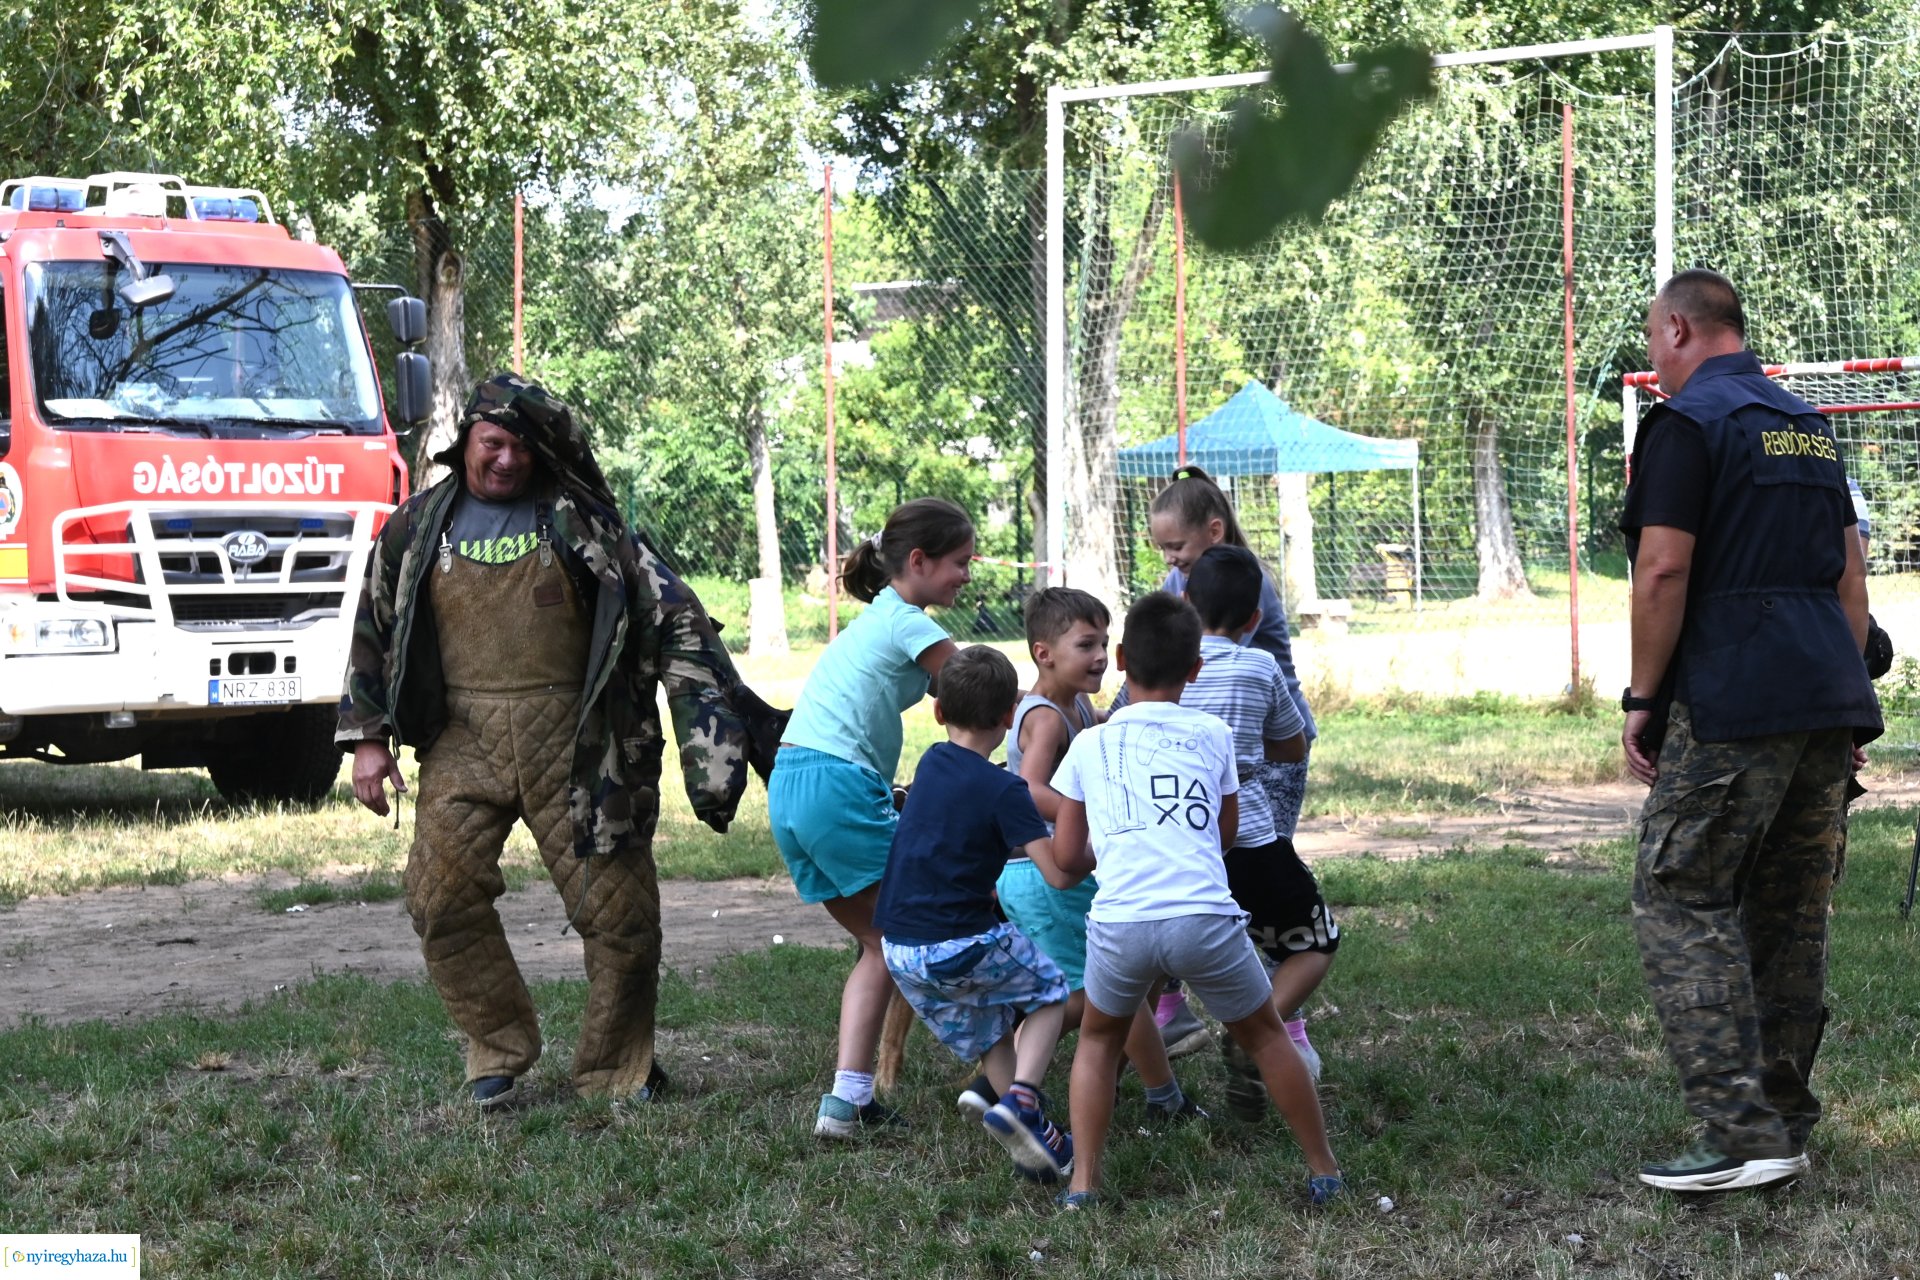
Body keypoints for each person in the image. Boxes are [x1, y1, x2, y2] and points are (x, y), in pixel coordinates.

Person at [339, 373, 774, 1108]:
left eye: (522, 447)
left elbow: (675, 620)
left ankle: (617, 1069)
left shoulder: (587, 525)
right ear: (466, 442)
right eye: (494, 443)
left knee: (621, 916)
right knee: (438, 898)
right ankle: (497, 1046)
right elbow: (372, 629)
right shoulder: (414, 529)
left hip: (580, 741)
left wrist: (713, 731)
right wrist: (367, 738)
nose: (507, 459)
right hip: (461, 738)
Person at [1621, 269, 1881, 1193]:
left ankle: (1739, 1132)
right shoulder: (1810, 429)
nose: (1653, 360)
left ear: (1682, 329)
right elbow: (1851, 584)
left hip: (1735, 695)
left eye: (1655, 340)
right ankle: (1784, 1120)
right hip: (1824, 690)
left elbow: (1661, 572)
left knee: (1678, 892)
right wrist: (1842, 703)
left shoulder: (1686, 426)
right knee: (1790, 913)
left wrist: (1643, 698)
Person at [1049, 592, 1344, 1209]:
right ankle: (1323, 1170)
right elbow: (1225, 832)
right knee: (1266, 1035)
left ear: (1122, 657)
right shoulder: (1214, 734)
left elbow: (1072, 857)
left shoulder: (1087, 745)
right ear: (1195, 670)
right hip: (1205, 915)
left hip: (1121, 920)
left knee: (1099, 1042)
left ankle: (1083, 1186)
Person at [768, 496, 973, 1138]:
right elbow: (976, 691)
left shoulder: (879, 617)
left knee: (880, 945)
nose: (967, 574)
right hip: (838, 785)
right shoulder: (907, 620)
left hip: (792, 787)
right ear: (918, 561)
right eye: (959, 562)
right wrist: (1056, 707)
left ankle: (847, 1104)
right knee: (933, 924)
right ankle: (1006, 1068)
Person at [995, 587, 1205, 1122]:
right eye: (1085, 644)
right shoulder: (1044, 717)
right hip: (1041, 869)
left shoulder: (1082, 706)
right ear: (1045, 654)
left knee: (1116, 983)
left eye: (1104, 643)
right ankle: (1161, 1098)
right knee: (1108, 988)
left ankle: (1014, 1079)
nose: (1099, 656)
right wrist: (1087, 804)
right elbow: (1026, 787)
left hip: (1066, 866)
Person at [1140, 466, 1322, 1069]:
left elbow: (1236, 682)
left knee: (1261, 875)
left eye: (1177, 548)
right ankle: (1172, 1007)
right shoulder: (1182, 580)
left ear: (1214, 533)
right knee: (1195, 867)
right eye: (1164, 549)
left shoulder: (1246, 583)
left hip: (1267, 744)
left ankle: (1277, 1022)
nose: (1170, 560)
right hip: (1207, 746)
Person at [873, 645, 1075, 1182]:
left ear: (938, 712)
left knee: (990, 1030)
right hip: (959, 942)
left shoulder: (931, 763)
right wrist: (1101, 845)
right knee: (1053, 993)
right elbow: (1057, 873)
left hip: (899, 951)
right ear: (1011, 715)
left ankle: (1029, 1142)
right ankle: (1025, 1100)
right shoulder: (1006, 789)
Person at [1178, 545, 1339, 1110]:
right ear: (1254, 620)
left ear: (1183, 601)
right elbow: (1293, 746)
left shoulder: (1167, 666)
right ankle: (1257, 1030)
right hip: (1247, 837)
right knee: (1314, 941)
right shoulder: (1260, 664)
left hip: (1176, 838)